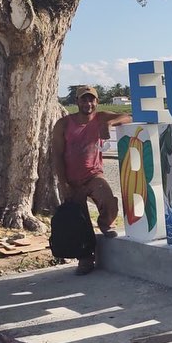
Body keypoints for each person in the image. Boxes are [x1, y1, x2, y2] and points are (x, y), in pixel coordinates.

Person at [51, 86, 132, 275]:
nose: (88, 104)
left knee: (109, 199)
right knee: (78, 221)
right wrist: (63, 183)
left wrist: (109, 124)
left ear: (96, 101)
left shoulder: (101, 117)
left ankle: (105, 223)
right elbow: (56, 155)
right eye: (83, 100)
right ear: (77, 102)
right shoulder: (63, 124)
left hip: (94, 174)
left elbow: (128, 117)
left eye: (91, 100)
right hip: (71, 180)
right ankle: (85, 259)